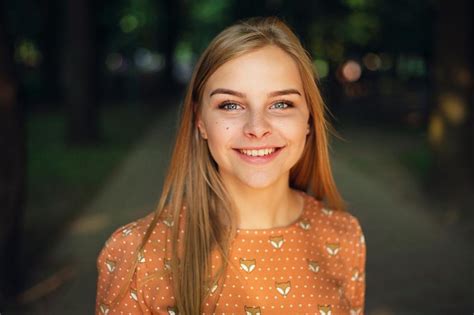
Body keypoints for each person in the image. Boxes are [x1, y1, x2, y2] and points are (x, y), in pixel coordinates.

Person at [96, 16, 366, 315]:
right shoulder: (136, 253)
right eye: (230, 105)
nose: (257, 127)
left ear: (308, 120)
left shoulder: (344, 236)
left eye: (281, 104)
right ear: (200, 121)